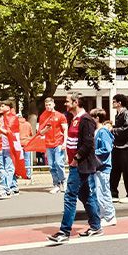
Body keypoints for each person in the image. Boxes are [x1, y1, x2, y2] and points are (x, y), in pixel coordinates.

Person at [46, 93, 102, 244]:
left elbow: (88, 143)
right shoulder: (74, 119)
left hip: (80, 164)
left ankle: (64, 231)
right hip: (76, 164)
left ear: (76, 102)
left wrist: (76, 159)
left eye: (67, 101)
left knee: (70, 195)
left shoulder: (85, 120)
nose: (65, 104)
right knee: (85, 196)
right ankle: (96, 226)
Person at [0, 101, 26, 199]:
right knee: (8, 168)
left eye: (3, 106)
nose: (0, 107)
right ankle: (14, 187)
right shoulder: (3, 118)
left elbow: (8, 132)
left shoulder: (12, 117)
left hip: (11, 146)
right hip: (5, 146)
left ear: (8, 107)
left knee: (9, 168)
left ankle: (6, 190)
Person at [90, 108, 117, 227]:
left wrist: (93, 152)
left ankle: (110, 216)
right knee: (99, 192)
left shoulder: (102, 132)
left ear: (97, 118)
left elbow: (107, 148)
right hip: (98, 166)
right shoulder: (98, 131)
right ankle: (104, 215)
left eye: (92, 117)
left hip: (103, 166)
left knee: (103, 192)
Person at [37, 97, 68, 194]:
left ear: (53, 104)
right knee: (51, 166)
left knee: (59, 163)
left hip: (58, 142)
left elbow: (65, 129)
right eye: (46, 105)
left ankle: (63, 180)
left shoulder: (60, 116)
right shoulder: (42, 116)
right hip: (48, 144)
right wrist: (46, 130)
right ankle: (56, 184)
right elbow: (40, 133)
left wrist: (65, 143)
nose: (48, 107)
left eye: (49, 105)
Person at [110, 94, 128, 202]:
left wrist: (113, 130)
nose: (113, 103)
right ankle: (113, 193)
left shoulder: (127, 114)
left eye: (114, 101)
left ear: (119, 103)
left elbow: (127, 129)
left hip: (125, 146)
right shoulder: (119, 114)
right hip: (118, 145)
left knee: (127, 171)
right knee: (115, 170)